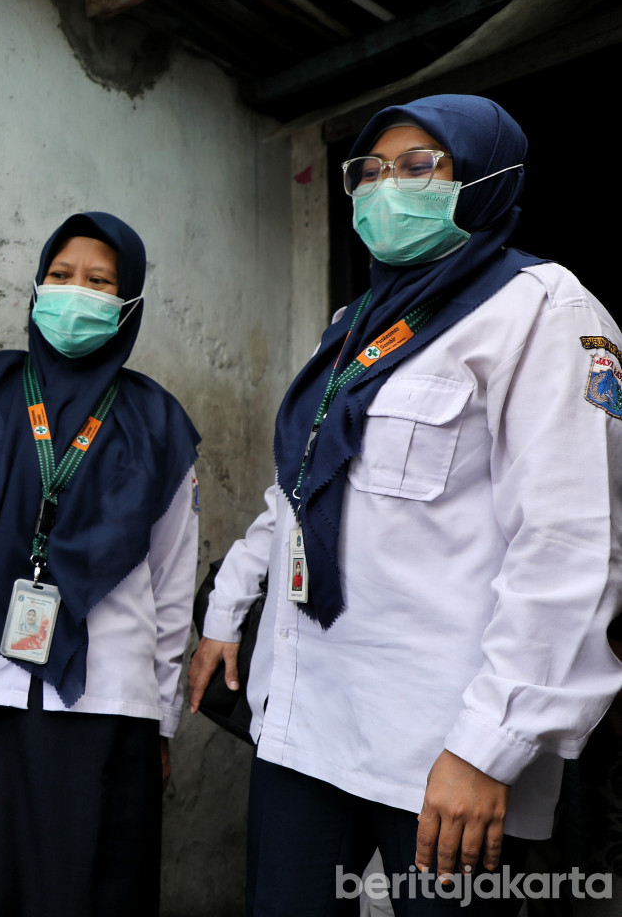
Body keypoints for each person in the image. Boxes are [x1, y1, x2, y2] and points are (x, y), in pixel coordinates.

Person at [189, 95, 622, 915]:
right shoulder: (354, 324)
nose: (389, 188)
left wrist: (489, 748)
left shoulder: (542, 309)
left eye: (421, 165)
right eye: (371, 171)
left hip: (437, 749)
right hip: (301, 720)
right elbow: (300, 490)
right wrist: (226, 610)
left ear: (487, 178)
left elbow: (569, 546)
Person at [0, 212, 201, 917]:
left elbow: (173, 590)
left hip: (106, 709)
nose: (74, 293)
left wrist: (162, 720)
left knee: (81, 896)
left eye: (99, 281)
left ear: (130, 303)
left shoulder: (160, 424)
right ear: (36, 285)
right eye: (60, 275)